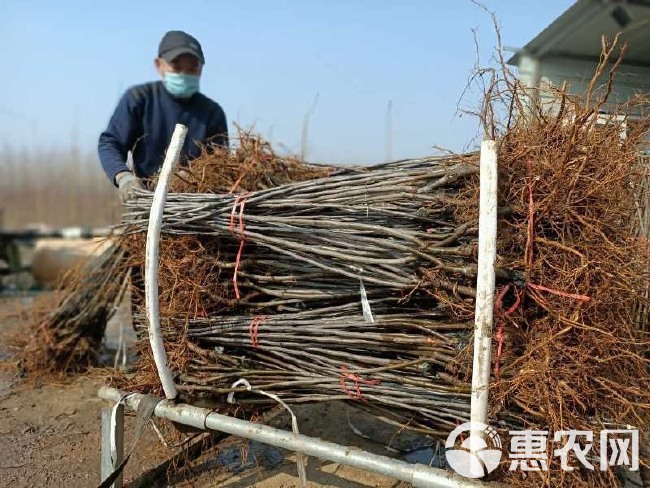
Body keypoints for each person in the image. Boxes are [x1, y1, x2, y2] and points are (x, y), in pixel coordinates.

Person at [98, 30, 228, 202]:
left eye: (192, 68)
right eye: (177, 67)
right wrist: (123, 177)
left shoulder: (212, 112)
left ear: (201, 69)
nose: (184, 74)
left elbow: (220, 163)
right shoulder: (139, 99)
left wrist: (192, 178)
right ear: (159, 65)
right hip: (146, 200)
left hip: (196, 206)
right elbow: (110, 142)